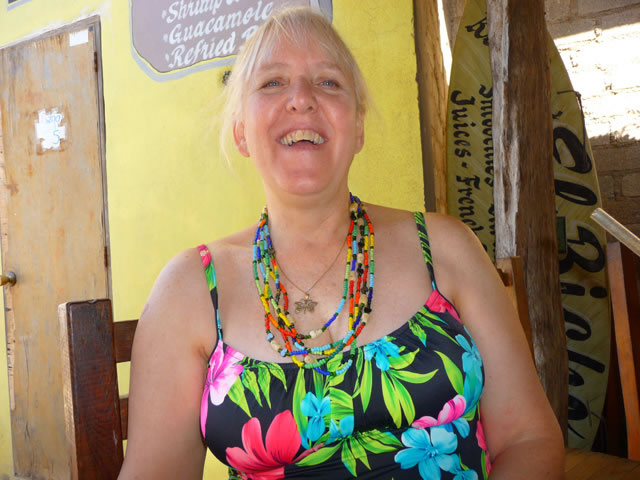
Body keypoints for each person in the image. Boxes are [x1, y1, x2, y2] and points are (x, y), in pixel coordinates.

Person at [118, 6, 564, 480]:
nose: (301, 99)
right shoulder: (189, 289)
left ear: (358, 128)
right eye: (272, 82)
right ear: (241, 132)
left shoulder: (447, 249)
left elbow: (529, 440)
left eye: (328, 82)